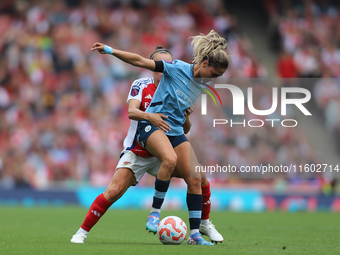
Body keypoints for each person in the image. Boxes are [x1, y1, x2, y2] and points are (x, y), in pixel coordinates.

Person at [71, 46, 223, 244]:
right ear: (153, 68)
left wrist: (185, 114)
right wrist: (150, 116)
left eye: (166, 65)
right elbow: (132, 112)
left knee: (199, 178)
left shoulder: (181, 84)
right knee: (114, 191)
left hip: (164, 152)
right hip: (139, 149)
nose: (163, 70)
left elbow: (184, 129)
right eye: (160, 66)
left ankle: (202, 224)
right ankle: (81, 232)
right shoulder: (142, 85)